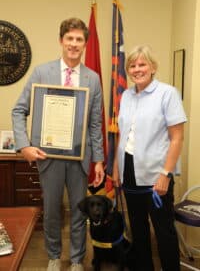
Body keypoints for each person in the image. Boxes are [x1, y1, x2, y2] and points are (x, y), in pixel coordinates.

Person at [12, 18, 105, 271]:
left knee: (78, 212)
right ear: (61, 41)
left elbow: (96, 123)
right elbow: (19, 110)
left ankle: (76, 259)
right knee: (52, 211)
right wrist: (24, 146)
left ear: (85, 44)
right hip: (48, 156)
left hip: (80, 157)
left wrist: (99, 160)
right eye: (69, 39)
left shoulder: (93, 78)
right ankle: (54, 255)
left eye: (79, 40)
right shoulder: (43, 72)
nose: (74, 44)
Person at [112, 45, 187, 271]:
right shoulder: (125, 95)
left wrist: (165, 174)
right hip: (129, 172)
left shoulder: (167, 93)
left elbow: (177, 138)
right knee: (138, 229)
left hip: (157, 174)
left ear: (153, 67)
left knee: (163, 231)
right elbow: (122, 135)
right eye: (132, 65)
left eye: (142, 64)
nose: (137, 69)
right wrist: (116, 167)